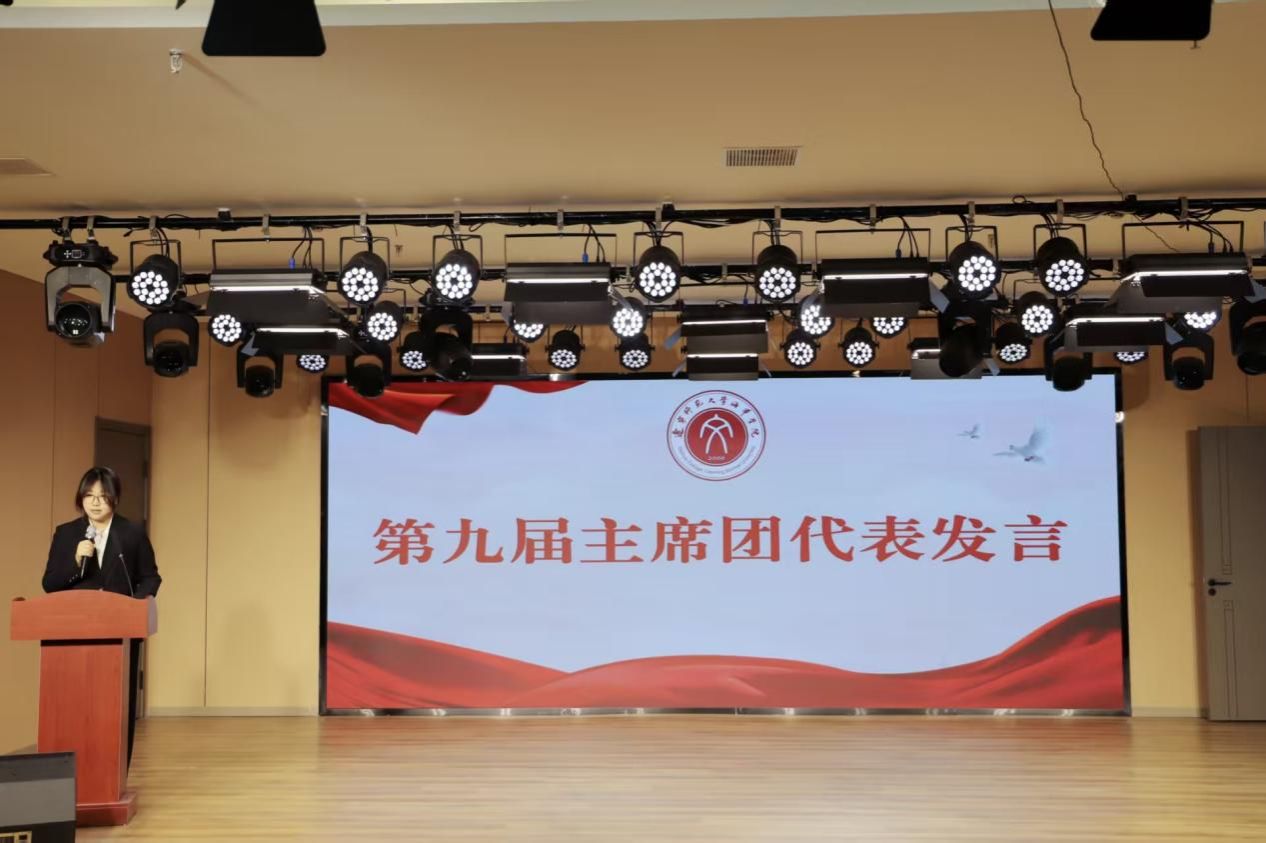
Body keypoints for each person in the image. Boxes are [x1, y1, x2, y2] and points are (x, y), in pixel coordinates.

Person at [42, 466, 161, 767]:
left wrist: (133, 607)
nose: (95, 502)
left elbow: (150, 577)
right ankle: (74, 772)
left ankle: (116, 773)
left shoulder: (131, 533)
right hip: (74, 634)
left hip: (121, 634)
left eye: (103, 496)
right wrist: (75, 561)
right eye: (89, 495)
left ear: (115, 498)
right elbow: (50, 583)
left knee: (117, 708)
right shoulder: (66, 534)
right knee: (76, 707)